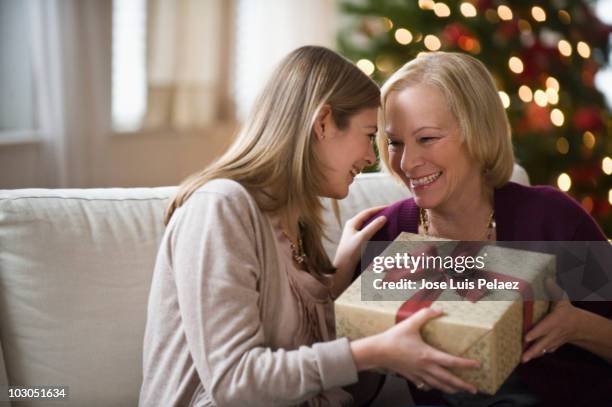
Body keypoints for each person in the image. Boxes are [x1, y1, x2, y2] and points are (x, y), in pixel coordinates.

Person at [138, 46, 481, 407]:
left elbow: (336, 387)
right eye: (369, 135)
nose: (370, 157)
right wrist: (372, 351)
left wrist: (337, 284)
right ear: (323, 123)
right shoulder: (220, 207)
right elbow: (235, 383)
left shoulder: (297, 225)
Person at [358, 51, 612, 406]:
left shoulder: (550, 220)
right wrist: (339, 281)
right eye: (395, 142)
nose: (407, 162)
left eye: (427, 138)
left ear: (477, 132)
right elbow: (359, 391)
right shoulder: (387, 234)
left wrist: (576, 326)